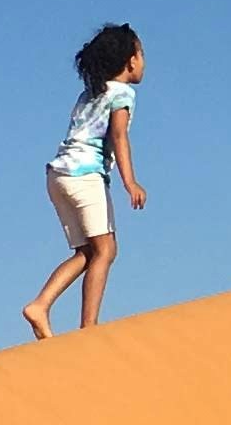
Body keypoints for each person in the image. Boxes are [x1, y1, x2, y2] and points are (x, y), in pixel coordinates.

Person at [24, 22, 149, 338]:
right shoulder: (122, 94)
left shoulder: (90, 92)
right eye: (141, 53)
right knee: (106, 251)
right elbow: (119, 136)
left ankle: (40, 305)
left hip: (58, 176)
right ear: (130, 60)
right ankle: (89, 329)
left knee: (87, 253)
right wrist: (130, 182)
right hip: (85, 176)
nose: (143, 60)